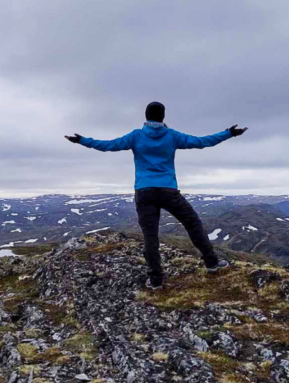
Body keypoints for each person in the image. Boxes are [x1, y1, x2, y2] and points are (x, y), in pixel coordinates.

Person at [65, 101, 247, 290]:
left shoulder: (136, 136)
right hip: (168, 190)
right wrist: (229, 133)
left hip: (144, 192)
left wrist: (82, 140)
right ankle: (211, 263)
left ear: (146, 116)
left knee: (150, 236)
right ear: (163, 117)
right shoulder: (172, 136)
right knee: (192, 223)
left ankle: (155, 280)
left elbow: (107, 145)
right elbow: (202, 142)